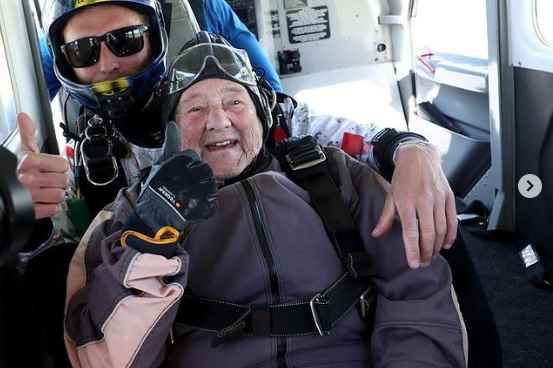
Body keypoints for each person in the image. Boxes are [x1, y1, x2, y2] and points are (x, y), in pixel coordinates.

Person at [63, 34, 467, 367]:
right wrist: (147, 239)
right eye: (196, 108)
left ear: (261, 115)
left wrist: (412, 147)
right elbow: (105, 358)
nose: (218, 120)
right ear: (171, 129)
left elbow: (415, 291)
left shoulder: (333, 174)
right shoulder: (132, 210)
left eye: (234, 102)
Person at [38, 0, 283, 98]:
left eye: (126, 40)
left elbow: (272, 93)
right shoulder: (59, 35)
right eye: (82, 51)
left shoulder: (202, 8)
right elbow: (27, 113)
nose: (107, 64)